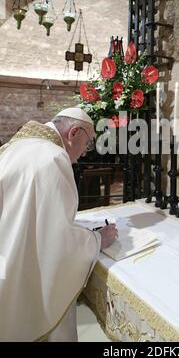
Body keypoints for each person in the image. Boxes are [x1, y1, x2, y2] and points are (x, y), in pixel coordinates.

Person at [0, 107, 118, 342]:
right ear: (74, 132)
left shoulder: (13, 148)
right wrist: (97, 239)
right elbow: (58, 241)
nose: (84, 153)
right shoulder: (53, 157)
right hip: (27, 274)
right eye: (87, 144)